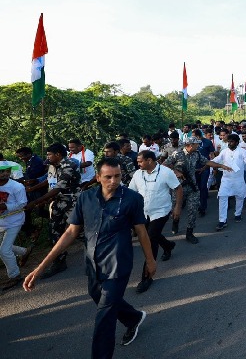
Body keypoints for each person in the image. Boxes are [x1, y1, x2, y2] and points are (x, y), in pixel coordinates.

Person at [24, 158, 156, 358]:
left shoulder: (132, 199)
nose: (113, 181)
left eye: (117, 176)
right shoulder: (85, 198)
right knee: (96, 295)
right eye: (108, 177)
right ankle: (133, 318)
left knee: (104, 317)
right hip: (93, 263)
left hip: (118, 266)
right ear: (98, 177)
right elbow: (70, 233)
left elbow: (142, 232)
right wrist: (40, 267)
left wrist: (150, 260)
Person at [24, 143, 81, 278]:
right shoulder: (52, 166)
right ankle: (59, 262)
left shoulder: (69, 165)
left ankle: (103, 252)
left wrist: (36, 201)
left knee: (79, 232)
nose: (48, 157)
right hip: (58, 202)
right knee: (54, 231)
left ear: (58, 155)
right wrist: (41, 194)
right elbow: (50, 182)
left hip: (71, 202)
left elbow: (59, 187)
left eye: (49, 154)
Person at [129, 150, 182, 293]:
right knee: (154, 234)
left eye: (140, 161)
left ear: (150, 161)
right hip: (143, 212)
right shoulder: (138, 174)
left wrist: (177, 207)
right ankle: (168, 245)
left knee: (151, 238)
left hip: (161, 211)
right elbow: (131, 192)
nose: (137, 163)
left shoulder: (165, 172)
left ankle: (147, 277)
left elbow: (178, 189)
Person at [163, 137, 232, 244]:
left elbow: (207, 162)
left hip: (192, 187)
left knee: (193, 209)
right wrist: (175, 171)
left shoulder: (197, 154)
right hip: (178, 187)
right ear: (190, 145)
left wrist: (221, 166)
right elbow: (164, 165)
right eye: (196, 144)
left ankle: (189, 233)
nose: (198, 146)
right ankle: (175, 222)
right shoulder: (177, 154)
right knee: (175, 209)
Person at [0, 165, 29, 290]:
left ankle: (15, 276)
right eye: (1, 171)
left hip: (14, 220)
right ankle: (24, 252)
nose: (5, 173)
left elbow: (23, 203)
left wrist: (6, 207)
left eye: (7, 171)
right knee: (3, 246)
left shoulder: (17, 186)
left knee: (4, 251)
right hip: (1, 221)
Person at [213, 134, 246, 230]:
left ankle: (238, 214)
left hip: (238, 180)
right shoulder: (224, 151)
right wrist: (208, 162)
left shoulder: (242, 151)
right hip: (226, 180)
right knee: (222, 197)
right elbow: (217, 160)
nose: (229, 143)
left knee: (240, 197)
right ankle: (222, 220)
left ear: (237, 142)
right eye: (228, 142)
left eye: (231, 142)